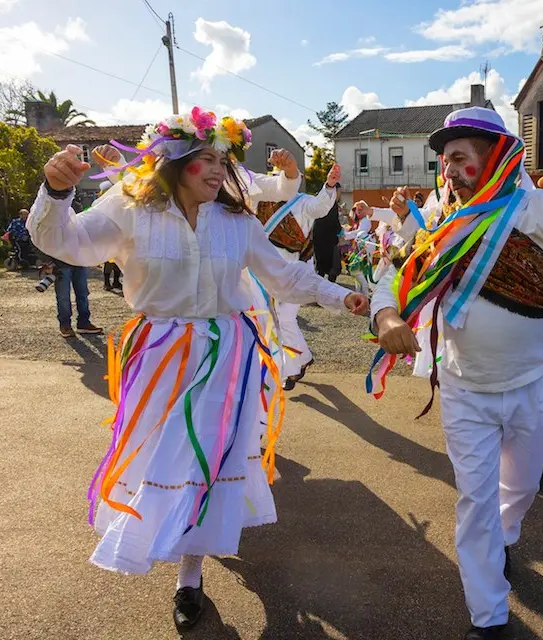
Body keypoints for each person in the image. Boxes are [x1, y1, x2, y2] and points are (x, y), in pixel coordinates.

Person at [27, 109, 367, 632]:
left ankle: (190, 573)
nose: (218, 169)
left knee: (208, 457)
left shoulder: (236, 221)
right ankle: (163, 543)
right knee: (163, 455)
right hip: (159, 355)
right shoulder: (128, 210)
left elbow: (286, 276)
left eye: (221, 159)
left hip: (227, 355)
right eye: (205, 159)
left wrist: (344, 296)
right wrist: (54, 191)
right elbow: (63, 241)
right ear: (173, 161)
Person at [369, 107, 543, 639]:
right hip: (464, 388)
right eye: (445, 156)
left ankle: (504, 539)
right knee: (475, 499)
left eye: (462, 152)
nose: (449, 164)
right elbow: (394, 278)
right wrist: (388, 315)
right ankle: (488, 616)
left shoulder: (536, 207)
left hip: (534, 381)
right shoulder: (442, 224)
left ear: (496, 154)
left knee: (522, 487)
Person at [258, 163, 342, 390]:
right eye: (276, 176)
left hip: (297, 270)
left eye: (286, 176)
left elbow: (321, 206)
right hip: (267, 272)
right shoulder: (261, 203)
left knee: (284, 318)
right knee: (273, 321)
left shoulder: (303, 201)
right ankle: (302, 359)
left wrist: (329, 185)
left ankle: (292, 370)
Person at [312, 182, 343, 282]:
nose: (340, 195)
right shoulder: (331, 204)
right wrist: (341, 231)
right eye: (339, 192)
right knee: (333, 268)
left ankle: (318, 290)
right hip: (328, 241)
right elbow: (334, 223)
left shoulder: (318, 201)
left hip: (317, 239)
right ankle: (329, 289)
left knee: (320, 268)